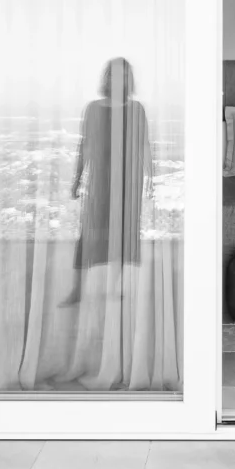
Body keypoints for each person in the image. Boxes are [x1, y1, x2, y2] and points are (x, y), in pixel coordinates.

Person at [61, 57, 153, 306]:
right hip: (100, 181)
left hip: (129, 181)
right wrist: (76, 179)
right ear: (107, 78)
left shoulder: (137, 109)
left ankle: (115, 288)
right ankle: (77, 291)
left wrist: (151, 177)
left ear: (128, 79)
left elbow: (144, 145)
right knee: (88, 233)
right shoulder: (93, 108)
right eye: (113, 74)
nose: (117, 79)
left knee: (123, 233)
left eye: (122, 74)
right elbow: (85, 146)